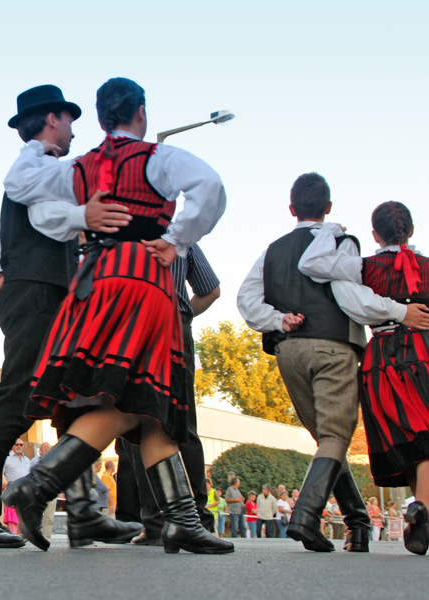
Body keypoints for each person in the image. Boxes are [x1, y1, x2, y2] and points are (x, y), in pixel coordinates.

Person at [0, 77, 232, 555]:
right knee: (135, 398)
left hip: (94, 279)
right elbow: (209, 187)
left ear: (103, 119)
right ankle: (40, 482)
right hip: (143, 278)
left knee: (149, 406)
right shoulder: (157, 157)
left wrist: (83, 216)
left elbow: (23, 188)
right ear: (140, 112)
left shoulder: (81, 166)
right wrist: (177, 238)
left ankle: (181, 519)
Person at [0, 84, 138, 550]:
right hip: (36, 293)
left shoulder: (44, 172)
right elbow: (46, 215)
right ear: (52, 119)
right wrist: (84, 214)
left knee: (72, 395)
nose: (73, 129)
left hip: (46, 292)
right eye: (69, 120)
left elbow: (5, 242)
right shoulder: (34, 164)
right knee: (19, 394)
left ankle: (85, 510)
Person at [237, 173, 428, 553]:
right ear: (328, 207)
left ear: (292, 209)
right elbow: (347, 296)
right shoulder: (343, 244)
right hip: (338, 346)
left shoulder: (272, 250)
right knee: (337, 437)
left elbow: (246, 298)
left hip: (289, 349)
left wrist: (278, 320)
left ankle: (357, 524)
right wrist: (400, 311)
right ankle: (306, 517)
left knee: (327, 439)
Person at [298, 201, 429, 555]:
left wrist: (330, 231)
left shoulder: (364, 267)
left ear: (374, 234)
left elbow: (311, 264)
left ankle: (421, 511)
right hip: (424, 352)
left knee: (411, 437)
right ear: (412, 230)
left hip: (383, 356)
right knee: (426, 435)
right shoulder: (427, 267)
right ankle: (423, 509)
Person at [122, 242, 220, 546]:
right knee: (183, 422)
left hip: (132, 324)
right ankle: (196, 518)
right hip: (175, 322)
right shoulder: (183, 238)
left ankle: (153, 521)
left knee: (139, 422)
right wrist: (186, 310)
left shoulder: (123, 231)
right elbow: (211, 290)